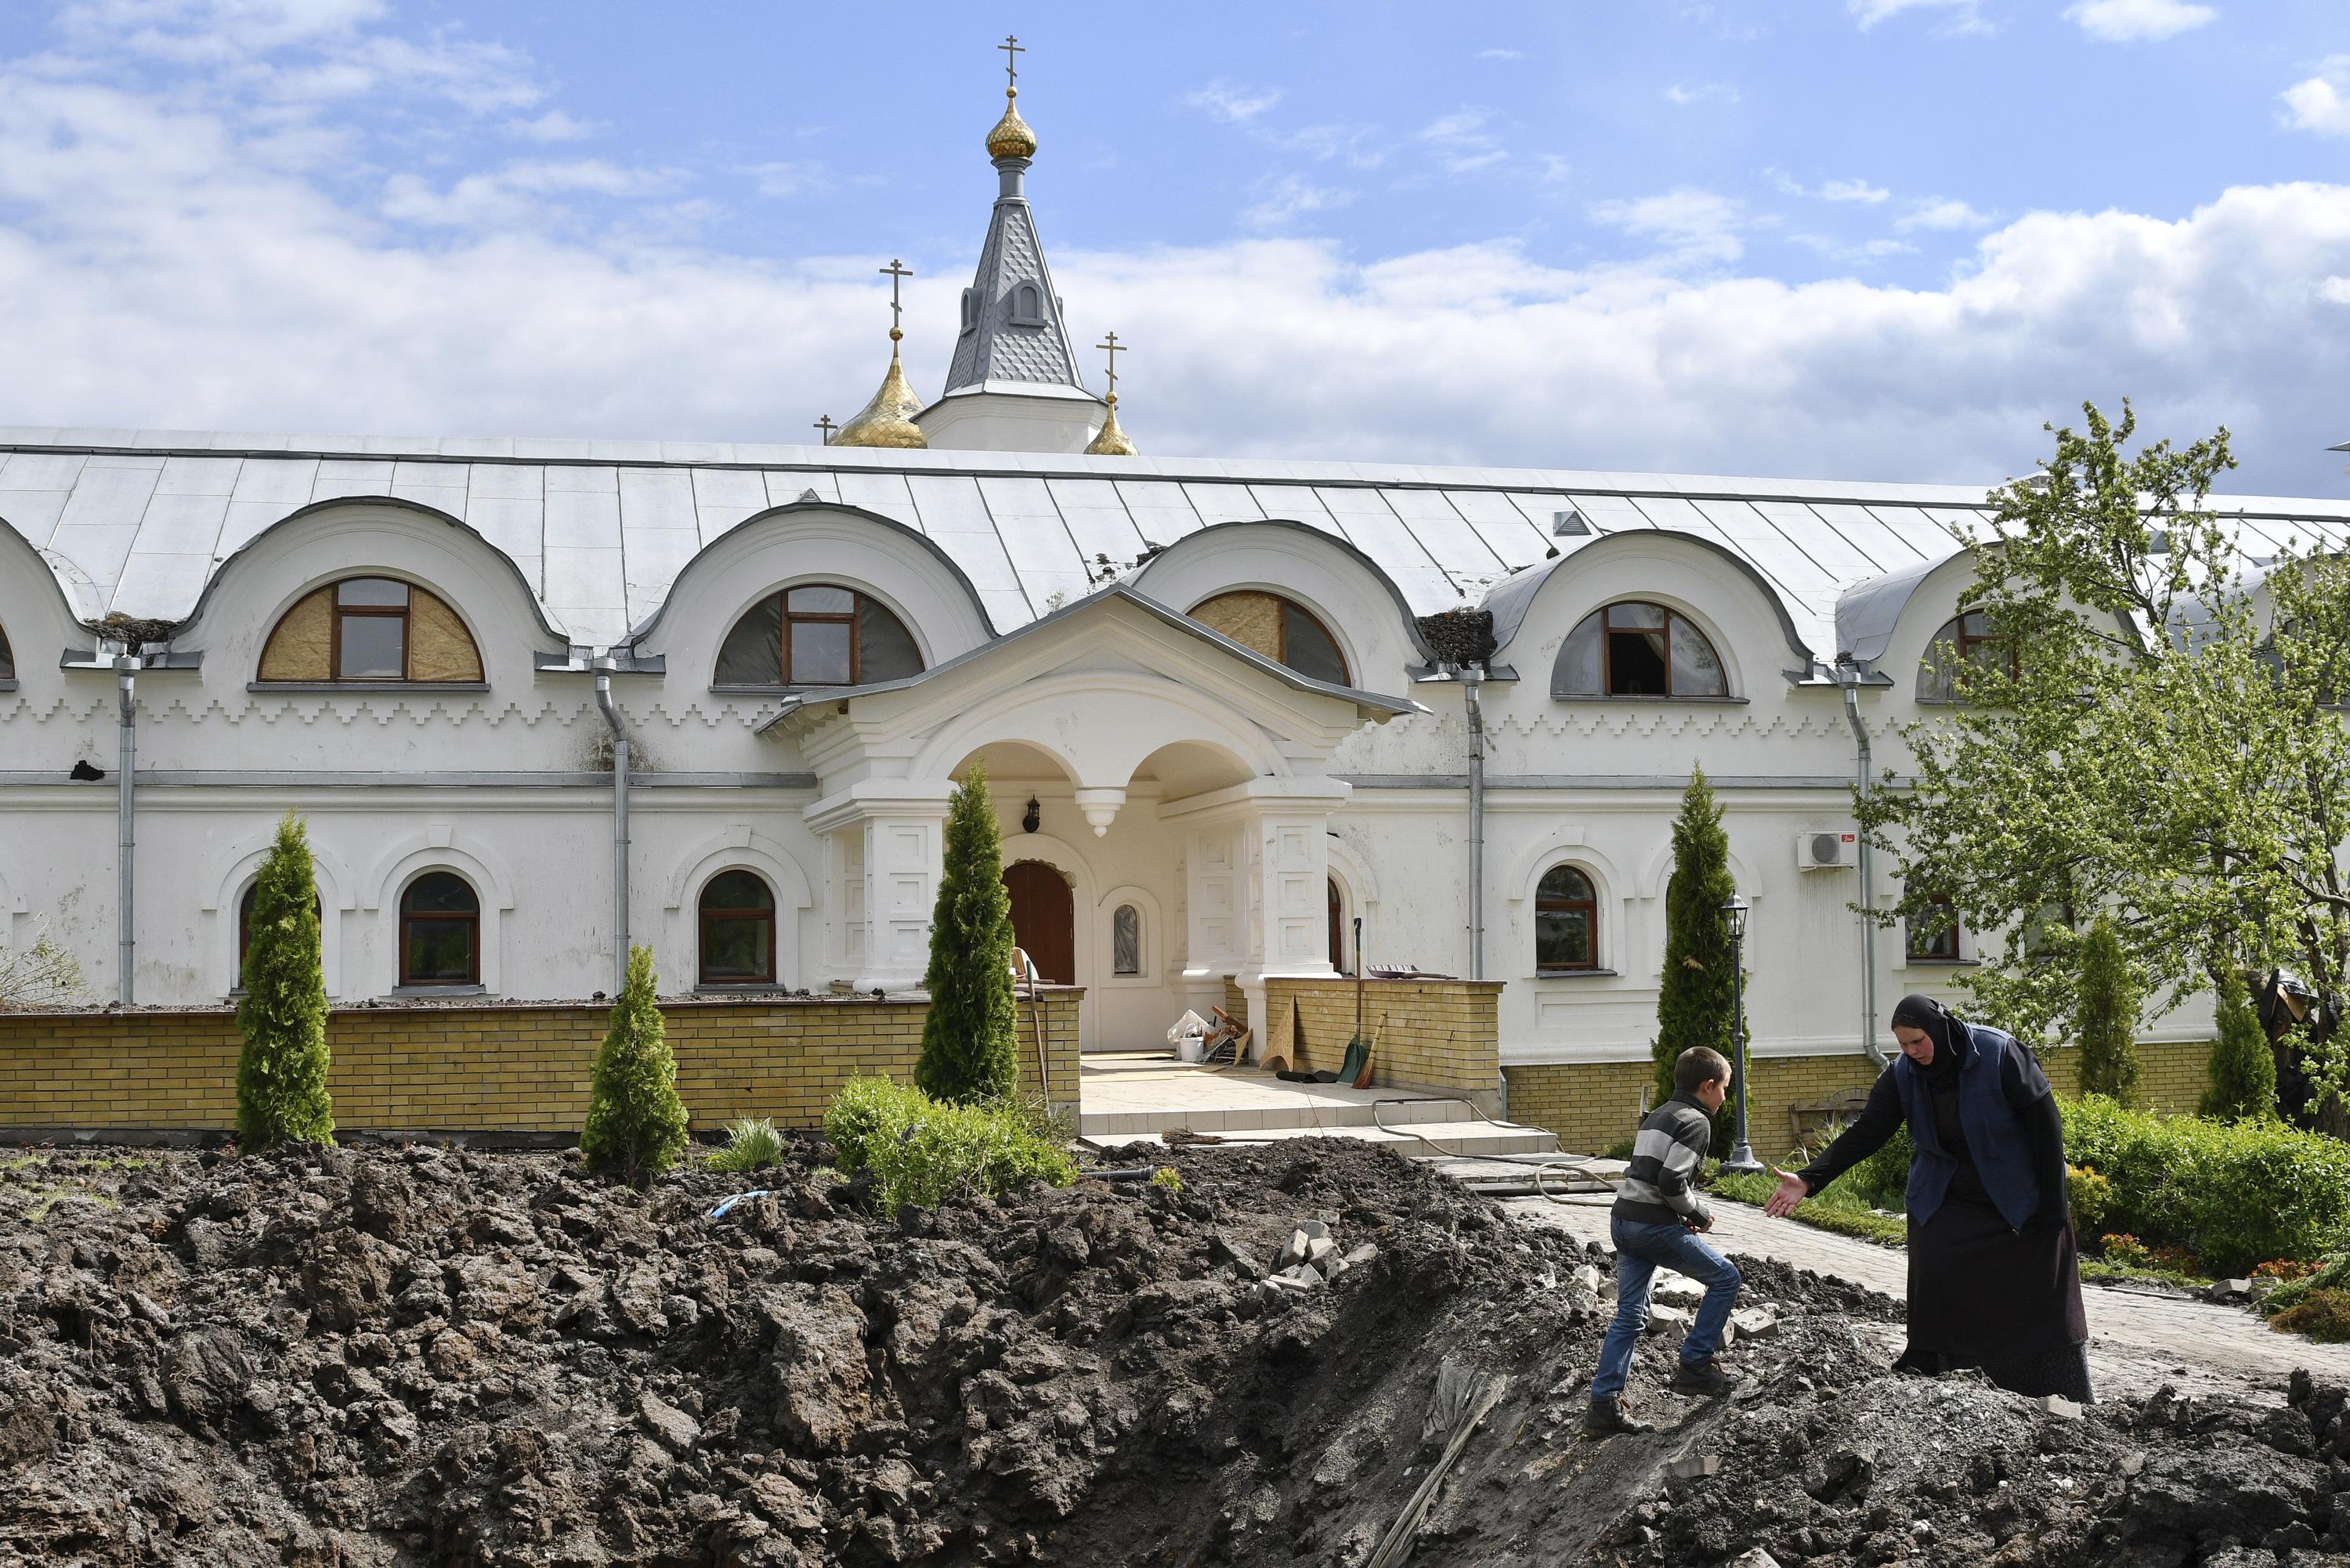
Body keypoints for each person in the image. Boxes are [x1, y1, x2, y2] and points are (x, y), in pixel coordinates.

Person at [1765, 992, 2091, 1402]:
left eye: (1917, 1041)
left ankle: (2051, 1384)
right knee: (1936, 1266)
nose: (1910, 1052)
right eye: (1901, 1045)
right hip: (1945, 1194)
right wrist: (1809, 1179)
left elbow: (2047, 1130)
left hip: (2013, 1191)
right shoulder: (1902, 1074)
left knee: (2036, 1287)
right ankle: (1940, 1377)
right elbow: (1868, 1133)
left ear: (1938, 1029)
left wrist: (2053, 1207)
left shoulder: (2000, 1054)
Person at [1586, 1046, 1744, 1436]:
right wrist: (1697, 1214)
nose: (1725, 1096)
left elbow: (1650, 1176)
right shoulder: (1696, 1121)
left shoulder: (1658, 1114)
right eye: (1725, 1088)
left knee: (1631, 1315)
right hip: (1650, 1227)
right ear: (1708, 1086)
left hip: (1623, 1221)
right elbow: (1671, 1180)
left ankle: (1603, 1408)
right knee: (1726, 1278)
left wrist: (1678, 1212)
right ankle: (1695, 1366)